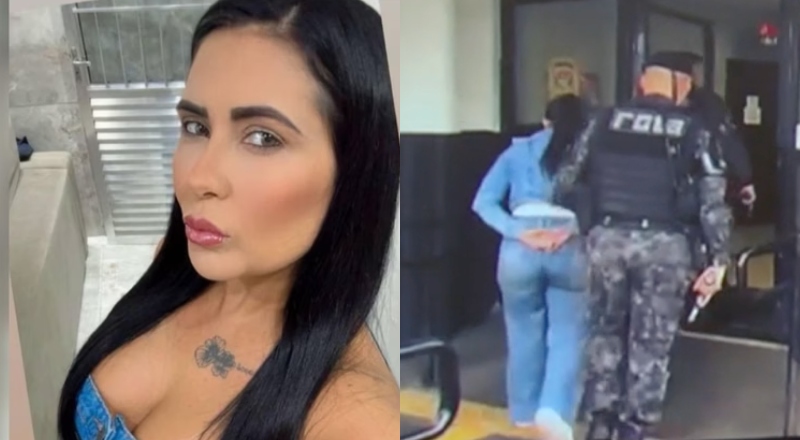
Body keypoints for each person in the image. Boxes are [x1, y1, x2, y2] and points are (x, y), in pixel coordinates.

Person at [57, 1, 400, 439]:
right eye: (196, 126)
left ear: (355, 171)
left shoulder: (358, 421)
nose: (198, 177)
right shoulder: (177, 265)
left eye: (263, 137)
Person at [552, 52, 733, 440]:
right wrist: (718, 260)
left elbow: (565, 180)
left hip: (606, 242)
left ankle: (601, 422)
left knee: (604, 332)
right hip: (665, 249)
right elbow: (713, 202)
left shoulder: (602, 121)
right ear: (680, 85)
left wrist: (590, 224)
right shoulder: (694, 129)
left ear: (641, 82)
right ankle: (636, 427)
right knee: (651, 344)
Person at [472, 94, 589, 440]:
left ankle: (523, 415)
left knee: (522, 332)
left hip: (519, 250)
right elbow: (600, 205)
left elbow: (483, 202)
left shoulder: (516, 152)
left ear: (545, 121)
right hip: (570, 246)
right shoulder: (587, 153)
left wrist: (518, 232)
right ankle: (554, 410)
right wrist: (570, 230)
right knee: (568, 333)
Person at [679, 51, 756, 211]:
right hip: (700, 185)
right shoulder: (708, 103)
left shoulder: (648, 106)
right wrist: (744, 179)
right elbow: (727, 139)